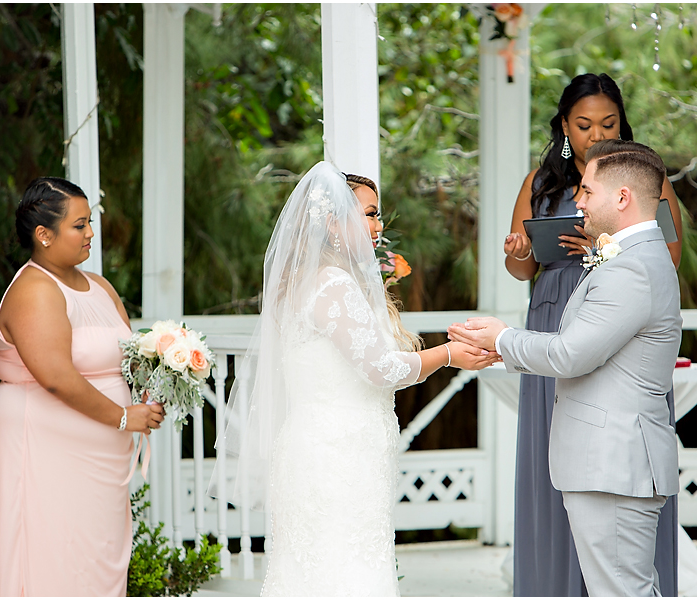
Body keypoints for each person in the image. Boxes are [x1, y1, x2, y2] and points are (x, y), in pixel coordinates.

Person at [213, 162, 499, 596]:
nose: (378, 224)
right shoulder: (332, 285)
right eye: (367, 213)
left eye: (377, 213)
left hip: (325, 447)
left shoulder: (306, 282)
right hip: (337, 454)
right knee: (343, 575)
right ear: (332, 223)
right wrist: (447, 355)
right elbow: (380, 368)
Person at [450, 140, 682, 597]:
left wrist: (500, 337)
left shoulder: (631, 268)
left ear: (622, 198)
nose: (577, 200)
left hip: (613, 462)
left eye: (587, 191)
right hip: (611, 462)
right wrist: (507, 348)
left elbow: (570, 354)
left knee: (622, 592)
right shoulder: (631, 257)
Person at [502, 73, 682, 597]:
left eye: (608, 123)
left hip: (616, 323)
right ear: (564, 126)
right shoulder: (541, 183)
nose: (595, 134)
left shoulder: (642, 179)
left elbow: (664, 259)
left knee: (613, 453)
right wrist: (520, 254)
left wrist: (602, 248)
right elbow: (523, 268)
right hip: (556, 308)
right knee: (562, 450)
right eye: (583, 125)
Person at [0, 177, 164, 596]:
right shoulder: (35, 290)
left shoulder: (99, 286)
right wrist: (123, 417)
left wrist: (162, 375)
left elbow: (130, 353)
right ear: (43, 235)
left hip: (101, 464)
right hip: (49, 453)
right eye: (79, 225)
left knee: (92, 568)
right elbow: (56, 378)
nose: (91, 234)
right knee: (52, 560)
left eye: (90, 222)